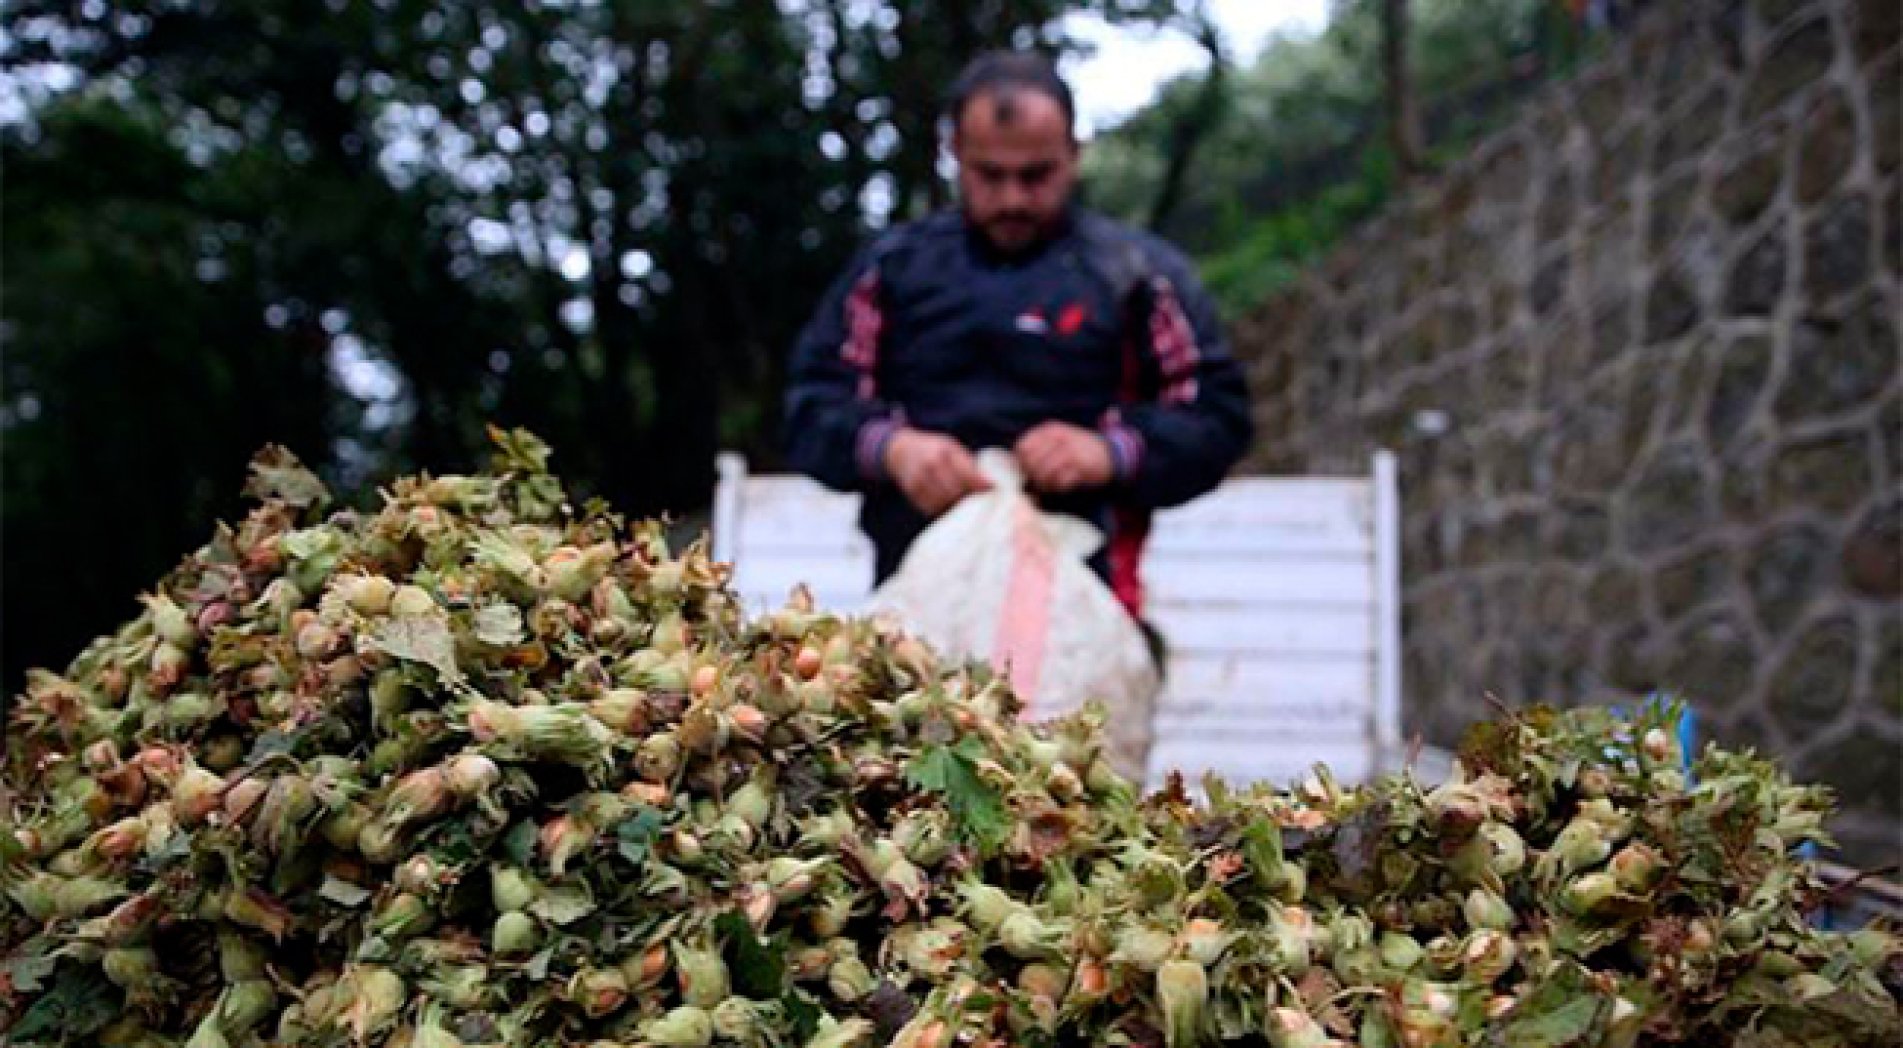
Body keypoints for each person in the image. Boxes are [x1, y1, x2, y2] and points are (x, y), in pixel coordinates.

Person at [782, 50, 1251, 651]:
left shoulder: (1137, 274)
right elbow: (811, 405)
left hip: (1091, 608)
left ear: (1074, 155)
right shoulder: (891, 269)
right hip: (916, 615)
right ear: (955, 155)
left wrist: (1109, 453)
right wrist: (893, 449)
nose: (1013, 200)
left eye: (1037, 175)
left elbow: (1218, 416)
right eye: (989, 175)